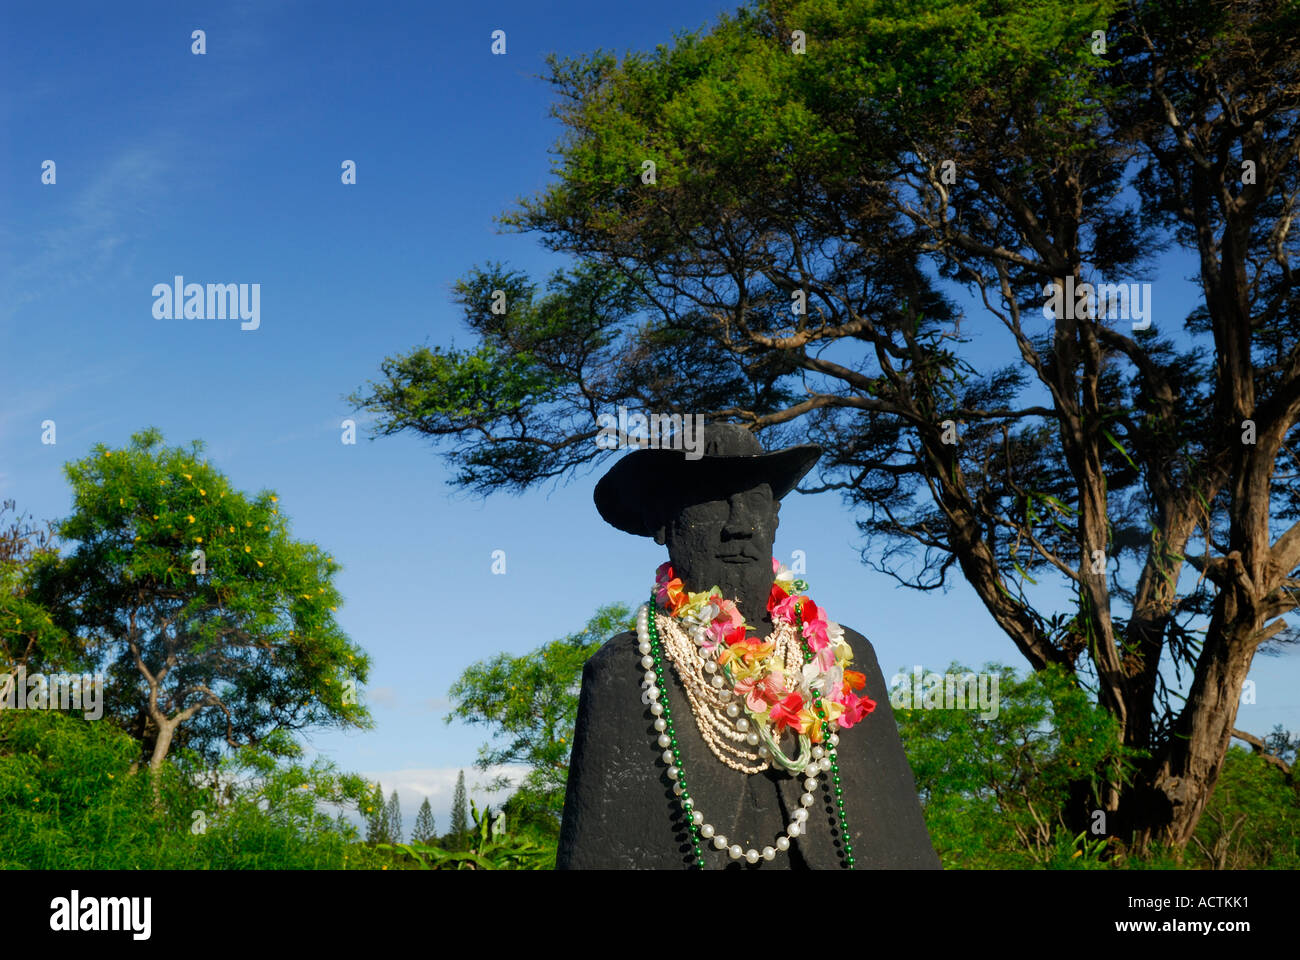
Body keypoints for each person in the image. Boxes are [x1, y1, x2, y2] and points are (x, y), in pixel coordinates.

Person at [556, 423, 939, 869]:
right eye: (712, 501)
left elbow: (895, 842)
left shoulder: (842, 654)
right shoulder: (629, 668)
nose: (739, 525)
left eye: (755, 503)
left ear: (774, 519)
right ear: (664, 521)